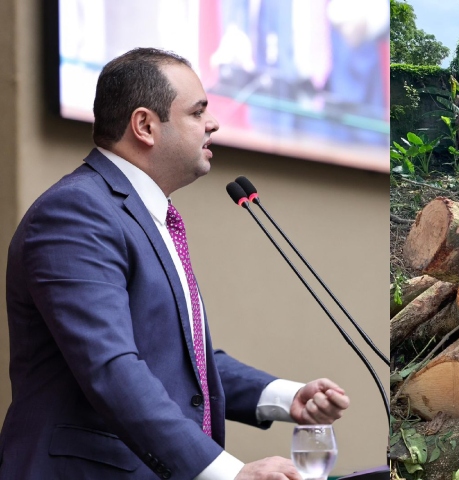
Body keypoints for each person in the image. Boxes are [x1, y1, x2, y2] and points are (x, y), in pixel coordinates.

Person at [0, 47, 349, 479]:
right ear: (145, 125)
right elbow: (111, 368)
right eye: (198, 111)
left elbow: (180, 358)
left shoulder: (148, 216)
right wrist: (228, 473)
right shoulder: (76, 212)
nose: (214, 123)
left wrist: (284, 396)